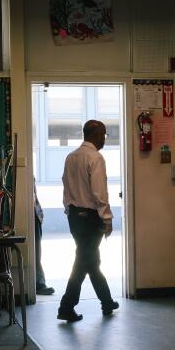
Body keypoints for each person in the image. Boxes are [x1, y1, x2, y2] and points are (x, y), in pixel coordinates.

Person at [57, 120, 119, 322]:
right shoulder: (95, 158)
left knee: (89, 259)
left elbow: (66, 186)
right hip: (91, 218)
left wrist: (69, 209)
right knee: (86, 261)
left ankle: (107, 302)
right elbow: (99, 193)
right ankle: (66, 306)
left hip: (75, 217)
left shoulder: (71, 157)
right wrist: (107, 219)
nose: (104, 139)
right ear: (96, 135)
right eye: (104, 135)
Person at [34, 179, 55, 295]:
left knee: (37, 253)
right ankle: (39, 283)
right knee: (36, 254)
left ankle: (39, 282)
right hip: (34, 213)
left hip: (35, 213)